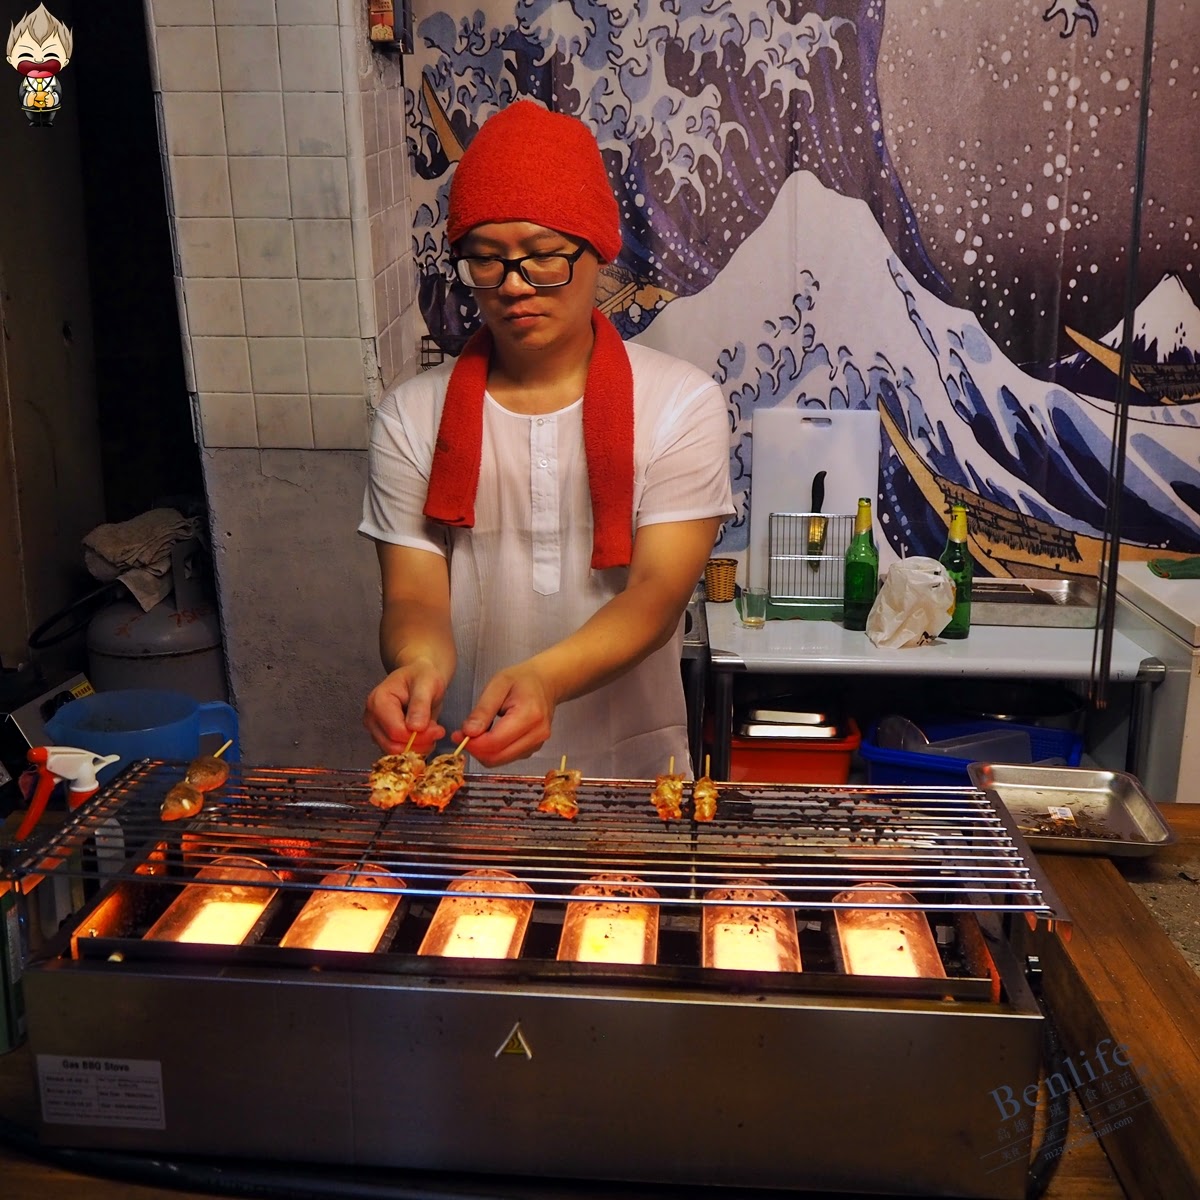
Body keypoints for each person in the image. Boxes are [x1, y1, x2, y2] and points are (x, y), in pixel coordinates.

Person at [359, 100, 733, 779]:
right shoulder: (412, 416)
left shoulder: (680, 405)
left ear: (597, 251)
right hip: (474, 769)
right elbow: (414, 596)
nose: (515, 286)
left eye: (544, 258)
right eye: (488, 260)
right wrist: (417, 666)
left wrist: (546, 678)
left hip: (635, 772)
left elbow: (655, 593)